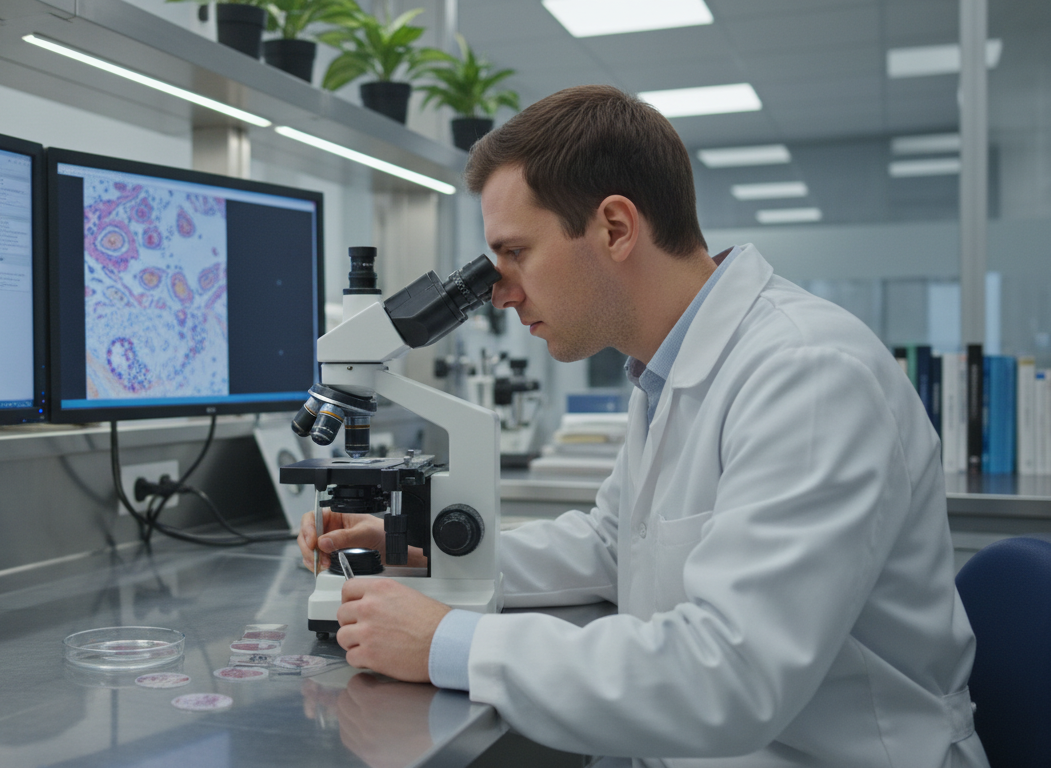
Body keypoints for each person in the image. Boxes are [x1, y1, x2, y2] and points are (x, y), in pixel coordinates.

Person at [298, 85, 988, 767]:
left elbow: (732, 676)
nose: (500, 293)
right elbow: (614, 543)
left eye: (516, 253)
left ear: (615, 228)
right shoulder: (666, 370)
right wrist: (415, 545)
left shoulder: (807, 374)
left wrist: (450, 643)